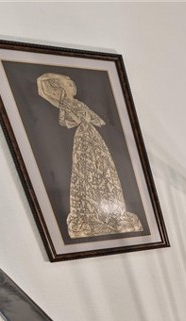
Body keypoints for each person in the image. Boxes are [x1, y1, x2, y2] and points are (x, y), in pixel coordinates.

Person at [37, 72, 142, 238]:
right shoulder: (67, 104)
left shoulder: (77, 103)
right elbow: (66, 121)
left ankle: (111, 212)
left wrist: (89, 119)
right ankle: (91, 212)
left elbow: (96, 119)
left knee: (103, 166)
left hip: (92, 136)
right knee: (87, 169)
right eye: (68, 85)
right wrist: (82, 119)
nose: (72, 87)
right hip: (84, 137)